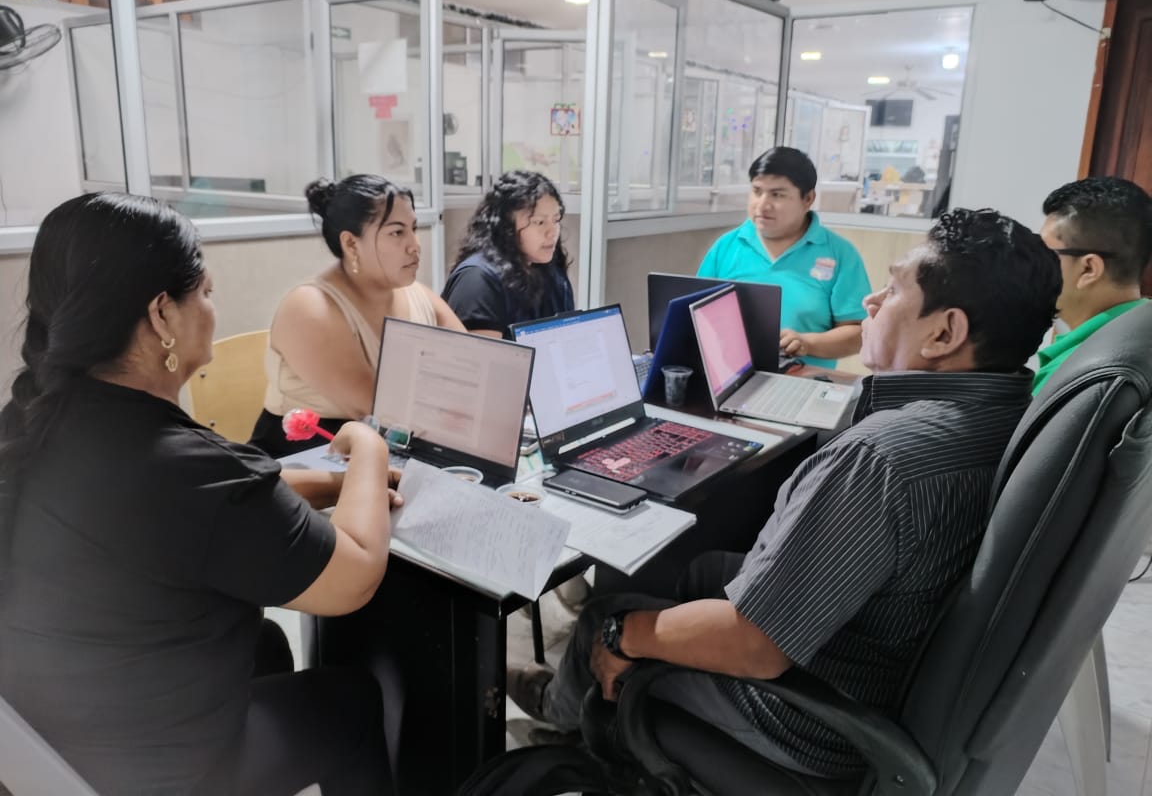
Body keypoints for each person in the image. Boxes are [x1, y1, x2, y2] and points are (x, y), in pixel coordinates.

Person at [509, 208, 1061, 778]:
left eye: (894, 290)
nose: (872, 302)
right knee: (696, 570)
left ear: (945, 333)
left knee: (605, 618)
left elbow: (756, 647)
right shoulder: (1008, 412)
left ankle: (563, 723)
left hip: (804, 714)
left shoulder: (879, 460)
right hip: (882, 660)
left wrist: (625, 635)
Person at [0, 193, 401, 795]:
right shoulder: (178, 465)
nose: (213, 309)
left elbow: (221, 505)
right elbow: (355, 575)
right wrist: (368, 447)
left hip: (56, 748)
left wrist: (339, 486)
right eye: (206, 292)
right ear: (162, 314)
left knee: (265, 643)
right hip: (154, 772)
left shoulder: (37, 418)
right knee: (351, 701)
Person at [250, 174, 464, 457]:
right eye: (397, 233)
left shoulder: (418, 295)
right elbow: (377, 408)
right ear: (351, 244)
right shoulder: (310, 307)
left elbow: (474, 365)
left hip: (395, 449)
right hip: (305, 460)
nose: (415, 245)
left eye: (413, 229)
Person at [697, 147, 872, 368]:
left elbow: (858, 332)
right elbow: (696, 314)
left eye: (777, 195)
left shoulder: (840, 254)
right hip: (730, 376)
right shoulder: (726, 247)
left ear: (808, 199)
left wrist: (807, 343)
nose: (763, 205)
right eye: (757, 191)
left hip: (804, 379)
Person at [1032, 176, 1152, 395]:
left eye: (1044, 254)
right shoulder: (1142, 336)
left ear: (1088, 269)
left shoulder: (1072, 371)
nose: (1034, 265)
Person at [442, 170, 574, 340]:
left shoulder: (550, 271)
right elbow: (482, 356)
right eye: (539, 222)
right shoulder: (478, 279)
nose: (552, 232)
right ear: (506, 226)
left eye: (555, 220)